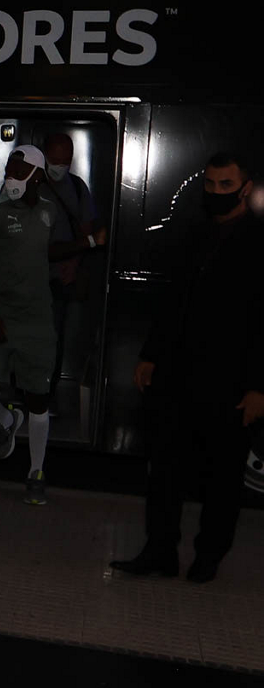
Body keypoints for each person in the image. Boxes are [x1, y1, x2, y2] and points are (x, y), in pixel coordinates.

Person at [110, 152, 264, 584]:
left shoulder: (258, 241)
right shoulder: (194, 232)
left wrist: (259, 387)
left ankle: (208, 556)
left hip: (231, 379)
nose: (216, 192)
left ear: (245, 188)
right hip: (177, 373)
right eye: (210, 184)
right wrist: (150, 355)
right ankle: (159, 550)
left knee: (223, 475)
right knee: (164, 468)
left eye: (225, 185)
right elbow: (172, 301)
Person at [0, 145, 58, 505]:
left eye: (19, 172)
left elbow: (50, 252)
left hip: (37, 320)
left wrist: (87, 242)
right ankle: (6, 420)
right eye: (9, 170)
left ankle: (36, 471)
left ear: (37, 176)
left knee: (38, 398)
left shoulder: (49, 212)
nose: (11, 178)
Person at [40, 133, 106, 394]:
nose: (60, 166)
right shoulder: (33, 184)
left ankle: (47, 393)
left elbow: (86, 230)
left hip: (60, 279)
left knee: (54, 338)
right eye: (55, 160)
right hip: (31, 277)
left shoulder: (77, 187)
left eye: (65, 161)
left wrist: (74, 263)